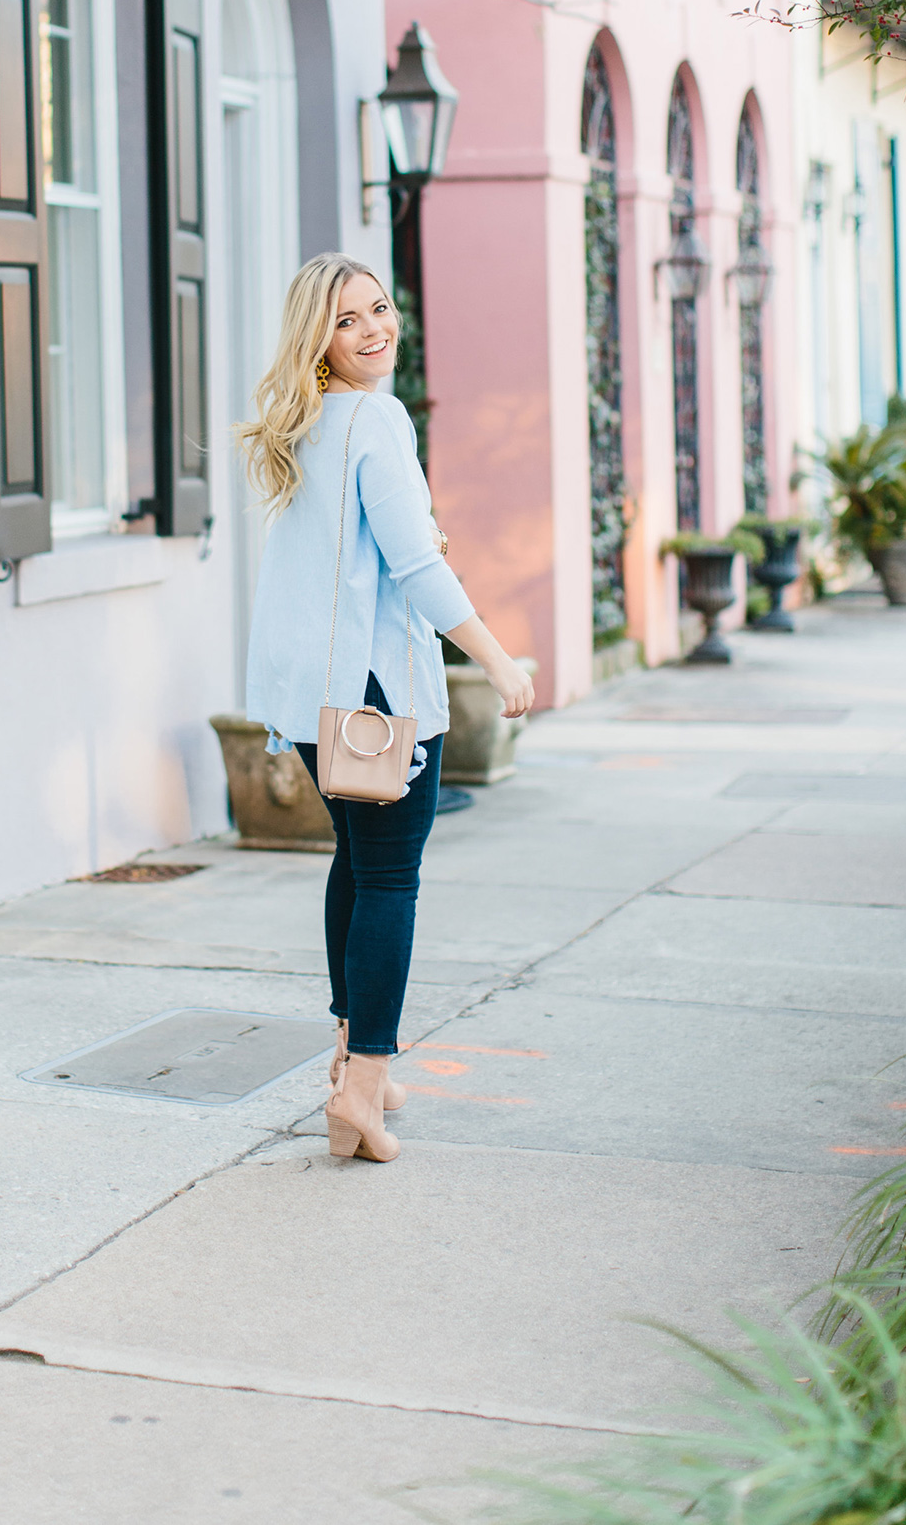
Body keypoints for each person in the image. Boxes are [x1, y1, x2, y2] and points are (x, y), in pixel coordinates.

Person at [241, 253, 535, 1164]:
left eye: (379, 308)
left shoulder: (308, 423)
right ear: (316, 342)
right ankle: (360, 1087)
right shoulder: (377, 416)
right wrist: (495, 659)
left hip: (306, 690)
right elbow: (415, 566)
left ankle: (349, 1055)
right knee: (390, 876)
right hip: (371, 693)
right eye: (347, 320)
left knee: (359, 863)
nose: (374, 328)